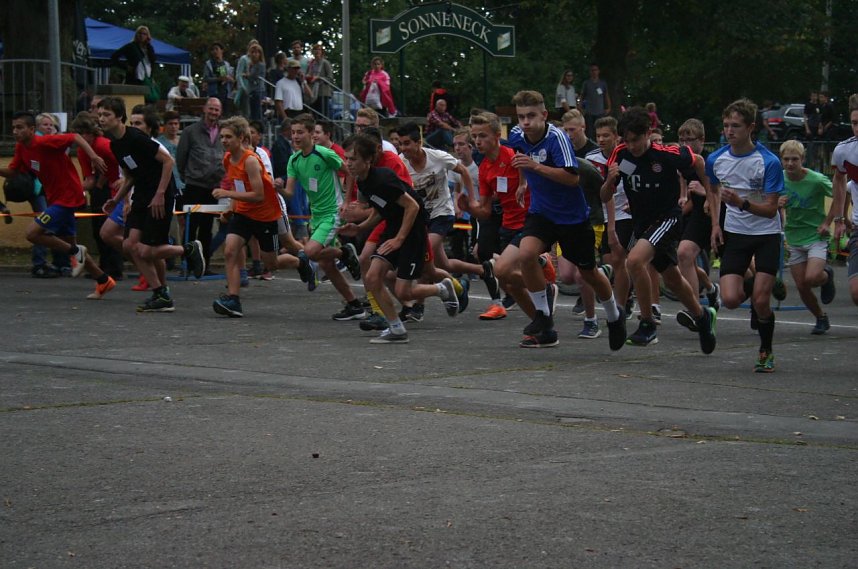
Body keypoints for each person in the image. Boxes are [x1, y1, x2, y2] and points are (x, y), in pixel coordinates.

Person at [507, 90, 626, 349]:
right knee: (526, 255)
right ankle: (543, 315)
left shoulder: (557, 138)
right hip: (542, 213)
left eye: (531, 116)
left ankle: (615, 316)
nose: (525, 122)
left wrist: (535, 167)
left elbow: (573, 178)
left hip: (572, 218)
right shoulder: (516, 134)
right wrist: (523, 183)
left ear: (544, 115)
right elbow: (520, 159)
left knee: (589, 274)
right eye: (520, 117)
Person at [603, 106, 717, 353]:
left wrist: (709, 194)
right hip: (642, 223)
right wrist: (610, 180)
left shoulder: (666, 154)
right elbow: (604, 196)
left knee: (634, 261)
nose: (632, 146)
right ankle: (702, 316)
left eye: (636, 140)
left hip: (667, 218)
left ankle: (647, 323)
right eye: (627, 140)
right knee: (673, 279)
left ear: (648, 134)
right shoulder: (620, 155)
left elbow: (698, 161)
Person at [339, 134, 460, 343]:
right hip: (393, 229)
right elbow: (380, 210)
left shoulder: (383, 178)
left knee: (404, 291)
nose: (348, 163)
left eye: (353, 159)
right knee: (373, 277)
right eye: (347, 158)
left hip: (412, 232)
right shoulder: (363, 182)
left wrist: (400, 239)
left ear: (368, 160)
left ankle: (441, 288)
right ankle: (396, 329)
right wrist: (360, 228)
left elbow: (412, 206)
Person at [97, 97, 205, 311]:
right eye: (99, 115)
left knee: (146, 251)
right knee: (129, 245)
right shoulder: (115, 144)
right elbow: (130, 175)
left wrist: (160, 193)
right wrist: (116, 199)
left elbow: (168, 161)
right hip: (142, 195)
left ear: (119, 117)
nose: (101, 119)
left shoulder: (136, 138)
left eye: (106, 115)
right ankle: (160, 294)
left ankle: (188, 249)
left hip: (160, 195)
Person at [0, 111, 116, 300]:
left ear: (31, 129)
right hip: (55, 198)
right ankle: (103, 279)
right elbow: (13, 171)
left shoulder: (44, 142)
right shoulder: (22, 148)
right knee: (70, 245)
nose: (15, 131)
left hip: (67, 198)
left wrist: (93, 156)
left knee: (32, 233)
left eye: (19, 127)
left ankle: (76, 252)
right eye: (13, 127)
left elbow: (75, 137)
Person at [706, 99, 785, 372]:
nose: (729, 131)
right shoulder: (715, 159)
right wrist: (716, 225)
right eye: (726, 125)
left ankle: (766, 350)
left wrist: (742, 204)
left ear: (751, 127)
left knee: (761, 302)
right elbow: (714, 192)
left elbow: (772, 209)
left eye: (736, 126)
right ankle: (759, 285)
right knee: (729, 299)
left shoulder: (768, 162)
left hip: (766, 234)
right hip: (735, 234)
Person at [211, 117, 308, 317]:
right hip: (244, 213)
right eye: (221, 137)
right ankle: (233, 299)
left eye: (228, 137)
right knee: (230, 251)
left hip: (265, 215)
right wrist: (230, 208)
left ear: (240, 138)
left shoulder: (251, 161)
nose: (224, 141)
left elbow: (258, 195)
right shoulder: (228, 158)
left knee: (270, 263)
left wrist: (227, 194)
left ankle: (301, 262)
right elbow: (238, 185)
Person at [285, 113, 364, 320]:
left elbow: (350, 172)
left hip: (332, 213)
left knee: (309, 253)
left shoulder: (324, 154)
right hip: (316, 216)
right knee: (326, 265)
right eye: (293, 132)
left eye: (300, 132)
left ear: (312, 134)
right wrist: (275, 187)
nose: (295, 136)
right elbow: (289, 192)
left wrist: (346, 202)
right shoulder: (293, 160)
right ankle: (354, 304)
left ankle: (343, 253)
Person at [458, 112, 532, 321]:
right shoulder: (484, 168)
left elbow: (534, 180)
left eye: (483, 136)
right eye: (475, 137)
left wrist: (524, 184)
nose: (478, 141)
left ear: (497, 135)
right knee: (486, 255)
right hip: (505, 219)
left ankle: (542, 289)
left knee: (507, 269)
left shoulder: (513, 156)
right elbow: (485, 210)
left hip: (528, 220)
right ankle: (499, 303)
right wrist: (469, 208)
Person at [778, 140, 837, 334]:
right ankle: (820, 317)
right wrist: (778, 203)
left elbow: (839, 196)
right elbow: (766, 200)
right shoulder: (779, 179)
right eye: (786, 159)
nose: (790, 164)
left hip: (815, 235)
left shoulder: (816, 180)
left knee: (811, 277)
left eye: (794, 159)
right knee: (802, 286)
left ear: (802, 159)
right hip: (794, 237)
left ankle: (827, 276)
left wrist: (828, 222)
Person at [674, 118, 722, 330]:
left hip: (718, 211)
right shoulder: (682, 159)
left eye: (689, 140)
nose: (685, 144)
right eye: (681, 140)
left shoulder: (707, 161)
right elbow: (683, 181)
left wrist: (714, 221)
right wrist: (683, 198)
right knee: (684, 254)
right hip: (697, 212)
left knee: (740, 268)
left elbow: (715, 190)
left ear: (701, 140)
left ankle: (761, 289)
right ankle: (695, 310)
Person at [69, 111, 124, 281]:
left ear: (88, 132)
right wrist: (73, 189)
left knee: (109, 229)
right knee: (98, 230)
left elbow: (120, 162)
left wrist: (112, 179)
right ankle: (104, 265)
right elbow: (89, 179)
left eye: (81, 133)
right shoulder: (83, 151)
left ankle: (115, 267)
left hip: (116, 188)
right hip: (100, 191)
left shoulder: (103, 145)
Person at [176, 97, 226, 273]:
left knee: (207, 228)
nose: (213, 113)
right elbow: (180, 158)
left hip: (214, 187)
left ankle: (204, 265)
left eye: (217, 110)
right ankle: (187, 264)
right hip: (194, 185)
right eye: (211, 109)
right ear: (204, 109)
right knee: (191, 226)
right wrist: (188, 176)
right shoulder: (190, 131)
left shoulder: (223, 131)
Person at [831, 104, 858, 307]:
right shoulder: (844, 151)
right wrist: (840, 219)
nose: (857, 127)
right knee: (856, 293)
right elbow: (840, 180)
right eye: (855, 123)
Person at [109, 25, 156, 92]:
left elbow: (153, 61)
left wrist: (148, 45)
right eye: (140, 33)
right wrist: (126, 67)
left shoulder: (149, 47)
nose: (142, 35)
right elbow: (114, 57)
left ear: (147, 36)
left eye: (144, 34)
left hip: (147, 77)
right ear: (136, 34)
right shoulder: (131, 46)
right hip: (134, 77)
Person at [234, 41, 266, 120]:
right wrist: (242, 87)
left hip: (256, 90)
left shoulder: (259, 64)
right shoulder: (244, 59)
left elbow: (255, 76)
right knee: (248, 113)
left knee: (256, 113)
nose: (254, 54)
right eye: (253, 51)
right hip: (247, 89)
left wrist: (247, 75)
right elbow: (239, 74)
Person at [580, 64, 611, 139]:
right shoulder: (586, 83)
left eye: (595, 70)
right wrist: (581, 108)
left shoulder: (602, 83)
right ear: (590, 72)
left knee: (600, 129)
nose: (594, 72)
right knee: (590, 132)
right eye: (592, 70)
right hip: (589, 111)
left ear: (598, 71)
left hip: (600, 111)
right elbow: (582, 96)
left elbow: (606, 96)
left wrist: (608, 107)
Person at [203, 42, 235, 108]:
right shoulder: (209, 64)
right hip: (214, 93)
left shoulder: (225, 64)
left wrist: (228, 79)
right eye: (213, 50)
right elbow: (206, 78)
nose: (214, 51)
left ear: (222, 50)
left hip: (225, 93)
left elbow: (225, 77)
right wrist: (218, 79)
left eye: (216, 49)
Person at [306, 44, 333, 118]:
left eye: (319, 49)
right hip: (313, 93)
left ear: (322, 52)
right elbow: (308, 75)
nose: (317, 51)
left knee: (323, 115)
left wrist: (319, 78)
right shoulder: (311, 63)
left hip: (323, 93)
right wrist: (308, 77)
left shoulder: (325, 63)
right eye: (315, 49)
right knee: (314, 115)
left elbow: (330, 78)